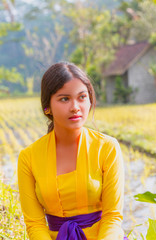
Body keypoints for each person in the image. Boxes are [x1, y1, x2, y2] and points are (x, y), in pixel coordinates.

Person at [18, 62, 127, 240]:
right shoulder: (28, 157)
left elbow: (112, 217)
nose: (75, 106)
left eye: (82, 97)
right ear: (47, 107)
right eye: (64, 99)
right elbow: (35, 223)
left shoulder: (107, 148)